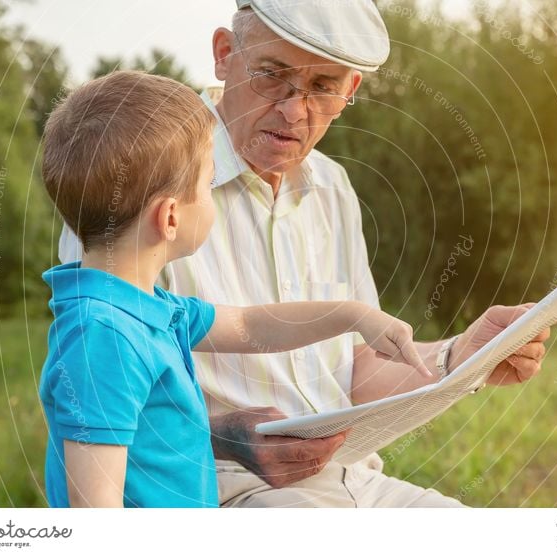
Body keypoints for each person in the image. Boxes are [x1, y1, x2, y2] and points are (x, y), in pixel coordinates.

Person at [59, 0, 551, 507]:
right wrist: (226, 437)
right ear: (225, 54)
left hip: (354, 482)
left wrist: (459, 357)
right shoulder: (137, 178)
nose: (295, 110)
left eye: (323, 87)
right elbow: (100, 403)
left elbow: (345, 359)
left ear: (350, 91)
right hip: (219, 490)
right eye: (272, 75)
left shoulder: (334, 187)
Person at [39, 70, 432, 508]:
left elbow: (250, 324)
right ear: (169, 218)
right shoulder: (105, 339)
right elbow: (94, 512)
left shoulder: (151, 308)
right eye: (208, 185)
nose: (214, 195)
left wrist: (353, 315)